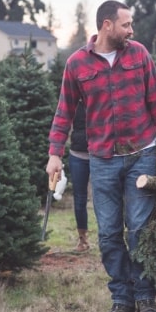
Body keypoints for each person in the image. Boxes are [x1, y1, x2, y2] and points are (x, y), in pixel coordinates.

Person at [46, 0, 156, 312]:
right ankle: (121, 299)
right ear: (107, 25)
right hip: (103, 159)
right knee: (108, 235)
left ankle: (145, 296)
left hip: (142, 155)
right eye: (125, 24)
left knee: (138, 229)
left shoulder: (139, 55)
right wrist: (54, 153)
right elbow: (65, 109)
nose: (131, 30)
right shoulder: (78, 64)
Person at [68, 100, 91, 253]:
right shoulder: (74, 103)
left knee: (106, 198)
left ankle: (110, 239)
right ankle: (82, 239)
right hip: (77, 155)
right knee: (79, 199)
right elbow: (63, 122)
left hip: (102, 156)